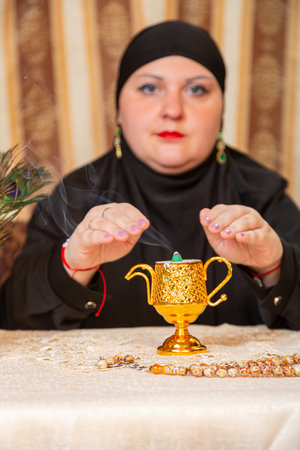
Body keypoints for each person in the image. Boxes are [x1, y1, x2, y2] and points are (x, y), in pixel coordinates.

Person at [1, 21, 300, 330]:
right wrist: (73, 264)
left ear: (221, 111)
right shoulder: (75, 197)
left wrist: (274, 267)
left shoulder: (262, 196)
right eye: (149, 88)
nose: (173, 109)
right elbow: (13, 319)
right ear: (118, 109)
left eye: (196, 89)